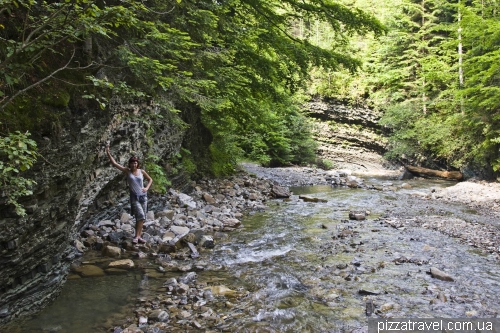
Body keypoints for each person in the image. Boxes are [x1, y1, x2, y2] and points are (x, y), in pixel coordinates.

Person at [105, 144, 153, 244]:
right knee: (140, 215)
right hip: (134, 197)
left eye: (135, 163)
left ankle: (139, 236)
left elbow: (150, 179)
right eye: (132, 163)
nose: (134, 165)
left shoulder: (141, 171)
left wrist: (146, 188)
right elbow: (114, 164)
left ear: (137, 164)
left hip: (143, 197)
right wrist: (108, 152)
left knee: (142, 217)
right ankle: (136, 236)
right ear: (130, 164)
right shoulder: (127, 171)